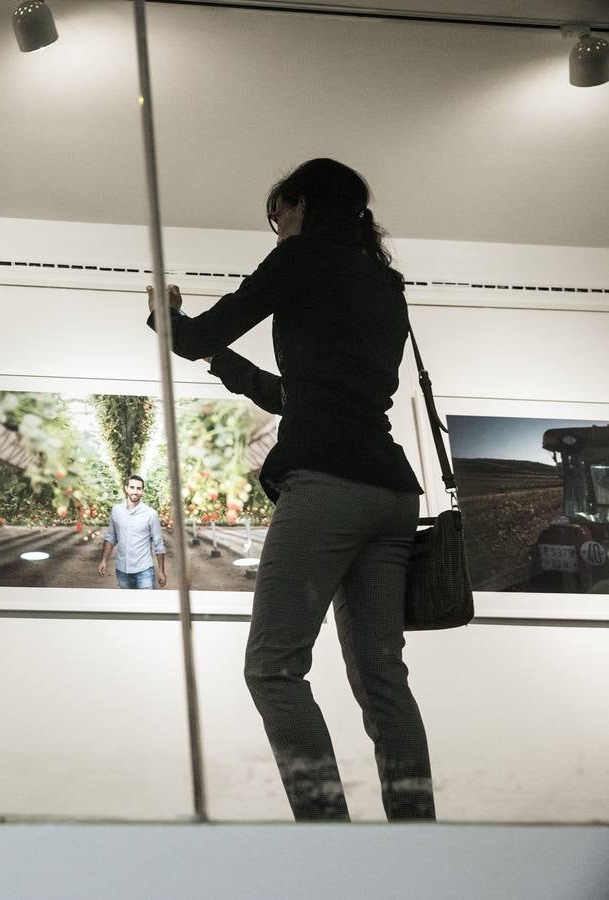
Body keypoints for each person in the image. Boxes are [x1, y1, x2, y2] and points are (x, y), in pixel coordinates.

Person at [157, 158, 433, 821]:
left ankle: (327, 836)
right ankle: (419, 840)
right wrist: (222, 364)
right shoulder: (383, 282)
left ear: (301, 204)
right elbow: (293, 394)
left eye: (276, 213)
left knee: (273, 669)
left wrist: (168, 318)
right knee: (382, 681)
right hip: (390, 493)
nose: (275, 227)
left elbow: (195, 335)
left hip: (328, 488)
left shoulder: (300, 258)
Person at [97, 474, 168, 589]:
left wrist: (161, 571)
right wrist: (103, 560)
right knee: (127, 606)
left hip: (144, 571)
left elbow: (158, 543)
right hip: (122, 571)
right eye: (132, 487)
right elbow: (111, 537)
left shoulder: (151, 514)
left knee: (146, 606)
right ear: (126, 488)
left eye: (139, 488)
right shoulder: (116, 510)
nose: (135, 491)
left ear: (143, 491)